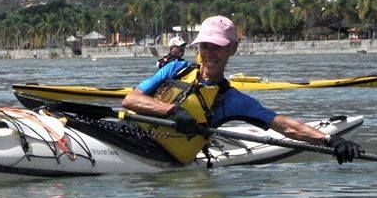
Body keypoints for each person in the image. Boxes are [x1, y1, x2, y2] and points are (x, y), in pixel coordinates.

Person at [123, 15, 363, 165]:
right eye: (205, 46)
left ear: (232, 49)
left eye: (217, 47)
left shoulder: (232, 100)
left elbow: (284, 126)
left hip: (165, 159)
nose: (209, 53)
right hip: (129, 137)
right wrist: (171, 111)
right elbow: (130, 100)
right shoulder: (174, 69)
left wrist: (330, 140)